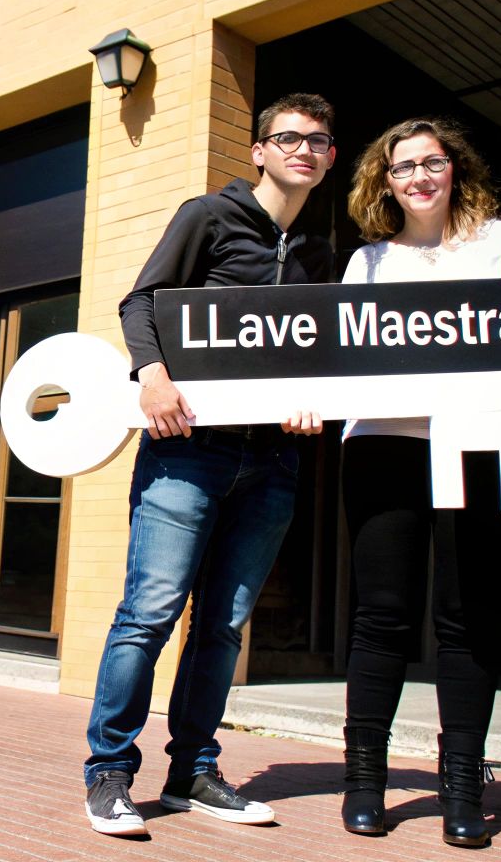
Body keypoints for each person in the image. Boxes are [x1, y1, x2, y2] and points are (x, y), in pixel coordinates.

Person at [83, 93, 335, 837]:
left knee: (223, 626)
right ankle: (109, 775)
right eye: (288, 137)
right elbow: (142, 302)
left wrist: (309, 401)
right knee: (149, 614)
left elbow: (315, 354)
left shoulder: (321, 253)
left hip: (271, 460)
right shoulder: (208, 216)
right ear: (259, 151)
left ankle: (193, 770)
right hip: (188, 452)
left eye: (319, 141)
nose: (304, 150)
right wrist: (151, 376)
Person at [335, 117, 501, 848]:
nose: (418, 176)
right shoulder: (366, 264)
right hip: (383, 444)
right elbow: (340, 358)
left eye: (431, 162)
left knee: (470, 618)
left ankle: (463, 786)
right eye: (402, 167)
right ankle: (365, 781)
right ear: (386, 181)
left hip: (478, 442)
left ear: (454, 168)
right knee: (381, 617)